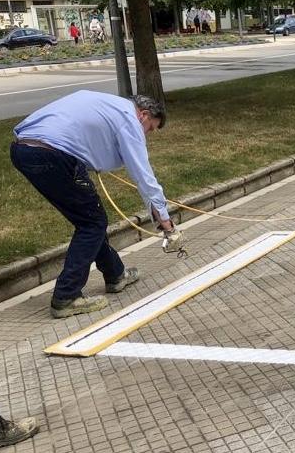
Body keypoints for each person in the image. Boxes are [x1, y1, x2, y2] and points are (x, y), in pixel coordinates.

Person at [11, 91, 185, 319]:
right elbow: (144, 176)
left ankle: (116, 275)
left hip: (23, 150)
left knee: (88, 219)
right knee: (93, 223)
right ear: (143, 115)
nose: (147, 134)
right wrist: (165, 222)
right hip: (52, 156)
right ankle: (66, 297)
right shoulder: (129, 120)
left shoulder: (108, 104)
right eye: (150, 128)